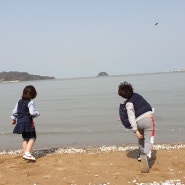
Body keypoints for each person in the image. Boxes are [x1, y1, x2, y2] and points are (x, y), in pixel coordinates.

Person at [118, 81, 155, 173]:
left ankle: (141, 155)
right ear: (131, 89)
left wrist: (135, 131)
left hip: (138, 123)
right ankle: (145, 154)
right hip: (148, 120)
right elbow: (145, 106)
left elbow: (131, 117)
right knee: (149, 140)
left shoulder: (128, 103)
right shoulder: (137, 96)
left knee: (141, 139)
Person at [11, 85, 40, 161]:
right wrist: (37, 113)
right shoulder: (30, 102)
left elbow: (15, 111)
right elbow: (32, 112)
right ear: (33, 94)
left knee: (25, 138)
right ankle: (27, 153)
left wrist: (13, 119)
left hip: (20, 122)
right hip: (27, 122)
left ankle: (25, 154)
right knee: (33, 137)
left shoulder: (19, 101)